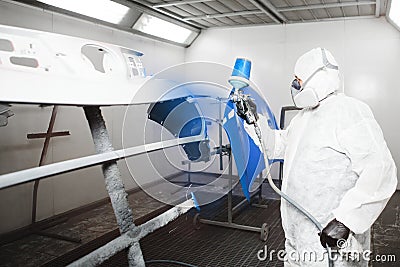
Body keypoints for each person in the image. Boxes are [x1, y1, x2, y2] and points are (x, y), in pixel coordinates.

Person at [239, 47, 397, 266]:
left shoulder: (349, 111)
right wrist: (253, 120)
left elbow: (380, 170)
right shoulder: (302, 118)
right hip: (297, 238)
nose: (295, 85)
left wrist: (346, 221)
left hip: (332, 243)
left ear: (316, 78)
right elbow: (277, 146)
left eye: (298, 79)